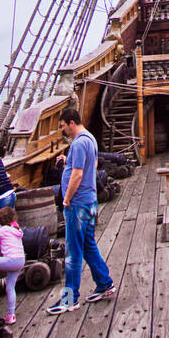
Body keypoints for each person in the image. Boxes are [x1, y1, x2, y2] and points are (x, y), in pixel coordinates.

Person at [46, 105, 115, 315]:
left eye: (63, 126)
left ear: (71, 123)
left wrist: (66, 199)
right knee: (87, 246)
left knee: (72, 253)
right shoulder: (89, 139)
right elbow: (90, 167)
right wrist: (69, 162)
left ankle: (69, 299)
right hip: (89, 200)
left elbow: (77, 175)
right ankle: (105, 283)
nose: (63, 130)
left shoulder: (78, 144)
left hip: (77, 205)